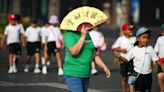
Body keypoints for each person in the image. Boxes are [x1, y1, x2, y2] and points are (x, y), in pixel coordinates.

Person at [63, 25, 111, 92]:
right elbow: (73, 52)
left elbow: (94, 54)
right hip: (73, 73)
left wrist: (104, 67)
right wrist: (83, 36)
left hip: (85, 73)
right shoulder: (69, 35)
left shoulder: (88, 35)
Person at [115, 27, 164, 92]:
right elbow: (127, 59)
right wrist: (119, 56)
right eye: (143, 37)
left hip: (148, 76)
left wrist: (162, 66)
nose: (146, 40)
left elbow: (156, 59)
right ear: (138, 38)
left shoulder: (150, 48)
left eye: (147, 38)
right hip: (138, 75)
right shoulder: (134, 50)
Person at [112, 23, 135, 92]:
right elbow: (113, 48)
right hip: (123, 60)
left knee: (131, 77)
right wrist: (121, 50)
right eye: (129, 30)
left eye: (132, 29)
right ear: (124, 31)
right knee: (124, 78)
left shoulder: (135, 39)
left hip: (132, 61)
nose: (131, 31)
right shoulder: (120, 39)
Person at [154, 24, 164, 92]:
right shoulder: (159, 39)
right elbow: (156, 51)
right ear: (162, 32)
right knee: (160, 76)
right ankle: (162, 89)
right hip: (161, 61)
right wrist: (154, 61)